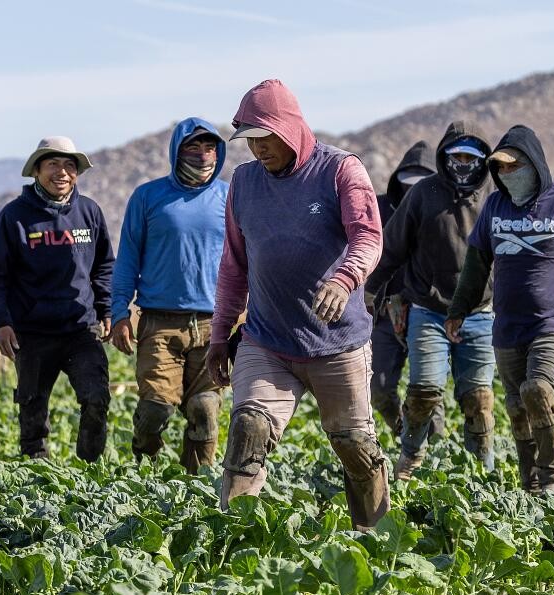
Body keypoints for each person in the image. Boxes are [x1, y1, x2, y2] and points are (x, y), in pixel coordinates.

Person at [207, 80, 388, 530]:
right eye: (249, 141)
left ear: (289, 129)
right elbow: (234, 266)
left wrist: (345, 279)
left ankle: (376, 538)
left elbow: (368, 236)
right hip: (267, 341)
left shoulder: (341, 170)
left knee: (355, 447)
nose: (257, 150)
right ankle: (233, 541)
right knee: (249, 429)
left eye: (265, 138)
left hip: (337, 344)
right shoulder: (245, 184)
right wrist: (218, 335)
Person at [447, 125, 554, 494]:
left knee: (538, 389)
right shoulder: (495, 206)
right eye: (500, 169)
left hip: (552, 321)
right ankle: (530, 483)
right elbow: (476, 264)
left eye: (513, 166)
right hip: (506, 326)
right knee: (518, 408)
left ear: (534, 164)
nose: (506, 174)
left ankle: (553, 478)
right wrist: (458, 309)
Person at [365, 122, 497, 479]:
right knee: (423, 393)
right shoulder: (423, 194)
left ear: (483, 158)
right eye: (457, 156)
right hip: (429, 311)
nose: (464, 164)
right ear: (446, 157)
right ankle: (411, 458)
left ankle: (481, 471)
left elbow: (515, 255)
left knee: (479, 399)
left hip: (479, 314)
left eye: (472, 157)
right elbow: (392, 248)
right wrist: (370, 291)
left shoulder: (494, 197)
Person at [0, 136, 115, 461]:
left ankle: (88, 469)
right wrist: (2, 322)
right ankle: (38, 480)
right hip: (32, 332)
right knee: (32, 411)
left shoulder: (89, 212)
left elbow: (104, 266)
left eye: (70, 165)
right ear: (37, 170)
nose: (62, 172)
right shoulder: (15, 216)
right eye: (53, 164)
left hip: (81, 330)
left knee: (97, 398)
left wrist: (107, 309)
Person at [110, 118, 228, 473]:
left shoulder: (228, 197)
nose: (203, 155)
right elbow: (128, 258)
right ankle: (146, 477)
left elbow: (248, 258)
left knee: (205, 410)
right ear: (177, 151)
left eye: (209, 148)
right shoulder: (148, 197)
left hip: (214, 324)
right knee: (154, 410)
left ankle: (195, 485)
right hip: (159, 324)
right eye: (193, 147)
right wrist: (119, 313)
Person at [369, 140, 435, 438]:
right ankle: (404, 432)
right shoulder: (380, 208)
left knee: (428, 390)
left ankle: (431, 447)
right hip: (385, 314)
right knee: (379, 389)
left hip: (427, 311)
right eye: (408, 185)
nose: (414, 192)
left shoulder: (443, 212)